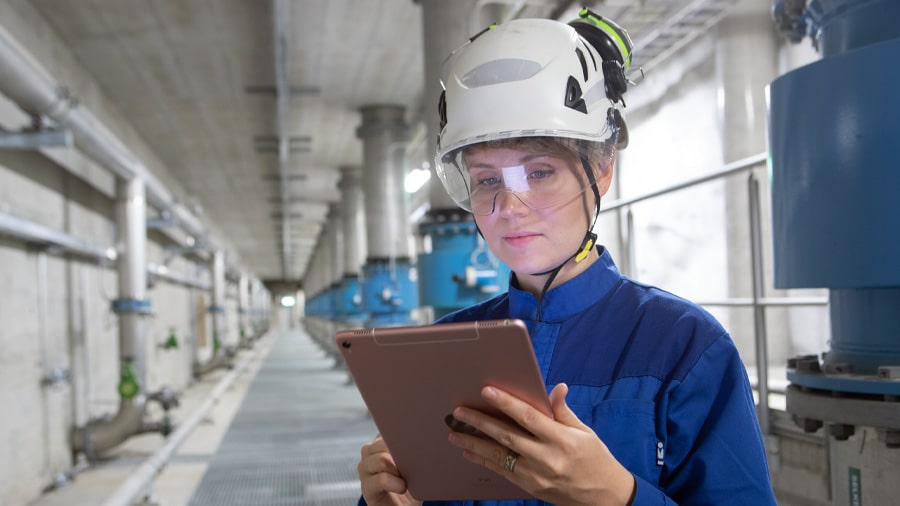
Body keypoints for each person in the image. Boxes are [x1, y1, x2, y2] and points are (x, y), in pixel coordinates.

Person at [356, 9, 777, 506]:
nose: (510, 208)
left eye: (539, 172)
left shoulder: (684, 347)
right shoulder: (439, 354)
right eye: (488, 179)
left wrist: (620, 496)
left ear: (600, 171)